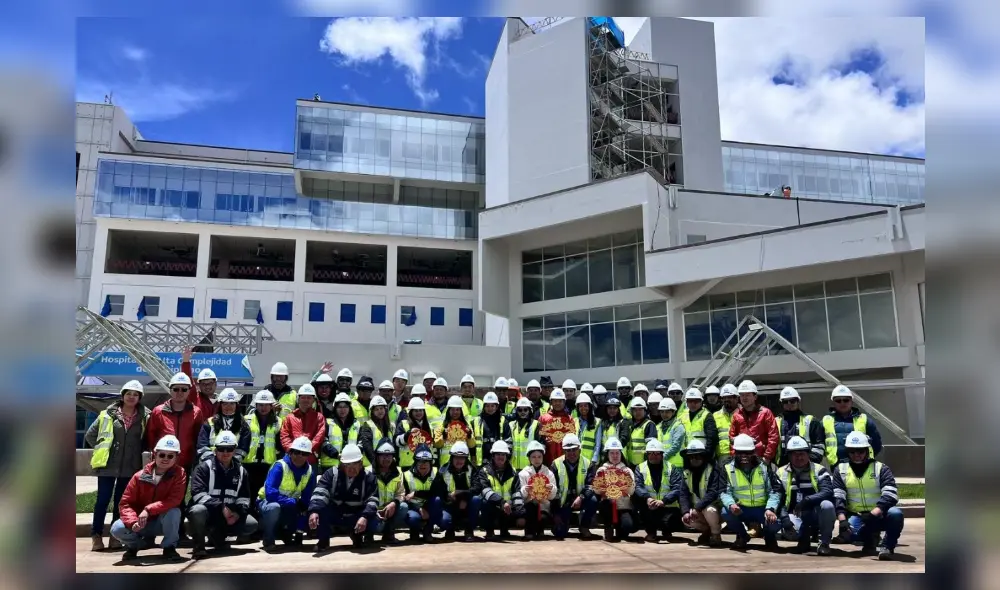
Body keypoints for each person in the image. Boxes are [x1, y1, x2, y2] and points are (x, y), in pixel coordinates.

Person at [85, 379, 150, 552]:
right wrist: (103, 448)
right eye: (128, 393)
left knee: (122, 502)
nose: (131, 397)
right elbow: (90, 435)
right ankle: (96, 535)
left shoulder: (145, 416)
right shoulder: (107, 414)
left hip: (130, 466)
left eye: (135, 394)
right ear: (122, 395)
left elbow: (147, 439)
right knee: (102, 501)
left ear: (140, 397)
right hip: (107, 465)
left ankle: (115, 537)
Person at [145, 371, 205, 541]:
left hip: (184, 463)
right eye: (176, 389)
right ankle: (150, 533)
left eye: (184, 389)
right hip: (161, 464)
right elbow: (151, 436)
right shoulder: (158, 412)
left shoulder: (195, 412)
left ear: (189, 391)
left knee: (177, 498)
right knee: (156, 497)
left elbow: (198, 437)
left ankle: (178, 532)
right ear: (170, 390)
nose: (180, 393)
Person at [109, 435, 186, 562]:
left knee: (174, 512)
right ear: (154, 455)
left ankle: (169, 547)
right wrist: (133, 522)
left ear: (176, 458)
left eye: (170, 456)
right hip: (140, 522)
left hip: (161, 522)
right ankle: (134, 546)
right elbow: (126, 503)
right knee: (116, 528)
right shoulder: (139, 476)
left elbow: (174, 500)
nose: (165, 459)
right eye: (162, 455)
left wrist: (148, 509)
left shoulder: (179, 474)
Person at [832, 430, 904, 560]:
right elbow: (838, 496)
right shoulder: (840, 470)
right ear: (848, 452)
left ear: (867, 451)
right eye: (852, 452)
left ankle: (887, 546)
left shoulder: (881, 468)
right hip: (857, 515)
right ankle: (870, 539)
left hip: (879, 514)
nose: (856, 455)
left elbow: (891, 494)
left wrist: (873, 513)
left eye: (860, 451)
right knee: (852, 534)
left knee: (896, 514)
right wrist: (842, 520)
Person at [188, 431, 258, 559]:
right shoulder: (203, 468)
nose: (225, 453)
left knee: (251, 523)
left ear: (235, 450)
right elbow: (198, 495)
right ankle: (199, 545)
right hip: (208, 514)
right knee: (197, 511)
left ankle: (218, 537)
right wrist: (221, 507)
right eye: (221, 449)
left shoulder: (241, 471)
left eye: (229, 449)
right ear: (215, 450)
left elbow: (244, 498)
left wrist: (238, 513)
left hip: (229, 515)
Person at [309, 443, 380, 550]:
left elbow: (373, 500)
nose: (351, 469)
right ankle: (323, 540)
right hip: (335, 513)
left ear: (361, 464)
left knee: (373, 519)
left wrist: (364, 516)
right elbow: (320, 492)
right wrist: (314, 511)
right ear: (342, 464)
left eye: (355, 464)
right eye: (347, 465)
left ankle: (358, 537)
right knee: (318, 511)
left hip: (356, 515)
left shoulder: (369, 478)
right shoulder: (331, 474)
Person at [720, 433, 784, 551]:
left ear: (753, 452)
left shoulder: (764, 467)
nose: (744, 456)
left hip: (762, 509)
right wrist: (731, 504)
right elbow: (724, 491)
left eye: (748, 452)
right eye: (740, 452)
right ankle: (742, 536)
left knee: (778, 521)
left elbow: (776, 490)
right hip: (741, 509)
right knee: (725, 512)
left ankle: (769, 537)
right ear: (734, 452)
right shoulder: (727, 468)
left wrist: (770, 508)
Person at [775, 436, 835, 555]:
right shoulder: (780, 472)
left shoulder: (820, 470)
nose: (799, 457)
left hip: (815, 514)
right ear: (789, 456)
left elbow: (827, 491)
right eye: (794, 454)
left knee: (827, 506)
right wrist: (785, 519)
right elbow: (777, 498)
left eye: (802, 453)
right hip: (794, 515)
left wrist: (807, 500)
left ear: (808, 454)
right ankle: (803, 537)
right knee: (792, 535)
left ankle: (824, 543)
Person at [258, 436, 316, 552]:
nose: (300, 456)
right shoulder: (279, 466)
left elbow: (306, 500)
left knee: (310, 510)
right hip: (267, 503)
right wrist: (294, 502)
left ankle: (288, 533)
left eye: (304, 453)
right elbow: (270, 494)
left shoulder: (310, 472)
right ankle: (268, 539)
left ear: (308, 455)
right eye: (297, 452)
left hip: (289, 506)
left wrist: (300, 531)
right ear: (290, 452)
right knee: (274, 507)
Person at [634, 439, 691, 542]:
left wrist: (664, 501)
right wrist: (647, 498)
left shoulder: (670, 468)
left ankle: (667, 531)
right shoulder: (640, 468)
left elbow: (677, 487)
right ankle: (651, 532)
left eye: (657, 453)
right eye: (650, 453)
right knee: (637, 500)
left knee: (674, 522)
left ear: (662, 454)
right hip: (649, 507)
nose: (653, 456)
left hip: (667, 506)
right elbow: (638, 486)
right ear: (647, 454)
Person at [432, 440, 483, 541]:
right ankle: (450, 529)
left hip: (467, 505)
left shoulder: (472, 470)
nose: (459, 461)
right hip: (449, 505)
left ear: (466, 458)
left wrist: (462, 495)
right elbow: (436, 489)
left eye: (462, 458)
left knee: (476, 499)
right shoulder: (443, 470)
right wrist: (447, 497)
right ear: (452, 457)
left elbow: (477, 488)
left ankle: (469, 530)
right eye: (456, 457)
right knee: (444, 521)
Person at [551, 433, 598, 540]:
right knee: (560, 533)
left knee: (594, 500)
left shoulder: (588, 464)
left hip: (582, 498)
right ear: (564, 451)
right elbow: (553, 490)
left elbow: (591, 485)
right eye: (568, 450)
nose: (571, 453)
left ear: (579, 449)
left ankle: (584, 526)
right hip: (564, 502)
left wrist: (581, 497)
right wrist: (556, 514)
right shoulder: (555, 464)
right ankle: (561, 525)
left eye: (574, 449)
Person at [823, 384, 883, 467]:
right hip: (835, 467)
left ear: (851, 401)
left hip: (862, 466)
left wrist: (864, 459)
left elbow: (876, 444)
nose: (842, 403)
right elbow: (819, 444)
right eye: (838, 401)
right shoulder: (825, 421)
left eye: (846, 400)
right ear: (833, 402)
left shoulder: (864, 420)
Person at [243, 390, 282, 517]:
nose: (263, 407)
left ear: (272, 406)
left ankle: (262, 524)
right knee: (248, 495)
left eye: (266, 405)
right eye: (260, 404)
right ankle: (249, 525)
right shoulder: (246, 420)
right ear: (256, 405)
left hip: (268, 465)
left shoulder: (279, 422)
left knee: (264, 495)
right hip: (249, 464)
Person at [475, 440, 524, 540]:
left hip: (508, 509)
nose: (501, 457)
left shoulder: (513, 472)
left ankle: (504, 530)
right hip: (493, 507)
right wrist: (502, 502)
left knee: (523, 511)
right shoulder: (484, 471)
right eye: (498, 454)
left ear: (507, 456)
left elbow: (517, 493)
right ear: (493, 456)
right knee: (485, 503)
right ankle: (489, 531)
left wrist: (520, 513)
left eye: (503, 454)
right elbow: (486, 491)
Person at [679, 439, 724, 546]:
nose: (694, 459)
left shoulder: (713, 469)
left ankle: (715, 534)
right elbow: (683, 494)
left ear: (704, 456)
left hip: (716, 509)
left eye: (698, 456)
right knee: (686, 519)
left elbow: (713, 492)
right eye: (691, 457)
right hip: (698, 510)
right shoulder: (686, 473)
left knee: (709, 510)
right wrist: (685, 511)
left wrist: (697, 508)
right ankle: (707, 531)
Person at [592, 437, 637, 542]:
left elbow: (632, 491)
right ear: (607, 454)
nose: (615, 456)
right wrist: (600, 485)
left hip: (623, 506)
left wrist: (628, 483)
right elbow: (596, 491)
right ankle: (608, 526)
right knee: (606, 506)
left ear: (621, 454)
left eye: (617, 453)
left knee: (628, 527)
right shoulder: (601, 470)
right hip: (607, 505)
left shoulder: (627, 470)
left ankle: (620, 528)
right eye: (612, 453)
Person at [729, 380, 780, 465]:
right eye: (742, 395)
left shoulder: (765, 413)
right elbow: (732, 438)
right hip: (742, 459)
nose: (744, 398)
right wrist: (734, 457)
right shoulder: (736, 415)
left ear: (755, 397)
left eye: (748, 395)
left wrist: (767, 457)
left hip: (760, 458)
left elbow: (773, 436)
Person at [196, 388, 250, 463]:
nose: (228, 407)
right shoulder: (209, 423)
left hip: (233, 467)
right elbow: (202, 446)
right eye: (225, 403)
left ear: (236, 405)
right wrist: (213, 462)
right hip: (210, 465)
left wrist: (229, 463)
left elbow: (243, 449)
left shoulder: (243, 425)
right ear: (220, 405)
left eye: (232, 403)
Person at [368, 439, 406, 545]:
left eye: (389, 455)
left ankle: (388, 535)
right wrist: (373, 510)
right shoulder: (368, 471)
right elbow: (364, 496)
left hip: (389, 510)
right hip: (372, 511)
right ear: (377, 456)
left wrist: (394, 503)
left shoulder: (398, 472)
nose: (387, 458)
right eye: (383, 455)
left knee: (403, 507)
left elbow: (401, 493)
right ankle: (368, 535)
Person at [517, 440, 557, 540]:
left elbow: (552, 496)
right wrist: (525, 490)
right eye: (533, 457)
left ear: (543, 457)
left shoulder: (549, 473)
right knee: (530, 508)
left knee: (543, 516)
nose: (536, 459)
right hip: (528, 504)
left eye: (539, 457)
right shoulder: (523, 474)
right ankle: (529, 532)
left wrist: (551, 488)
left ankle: (540, 531)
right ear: (529, 458)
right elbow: (521, 495)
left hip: (544, 504)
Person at [775, 387, 825, 466]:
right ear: (781, 403)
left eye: (792, 401)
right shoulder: (775, 421)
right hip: (782, 468)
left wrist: (808, 462)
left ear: (798, 401)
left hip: (807, 467)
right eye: (785, 402)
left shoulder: (811, 421)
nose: (789, 404)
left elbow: (819, 445)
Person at [401, 444, 440, 543]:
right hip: (413, 508)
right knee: (413, 518)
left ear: (431, 463)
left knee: (438, 501)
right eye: (420, 461)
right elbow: (404, 497)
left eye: (426, 462)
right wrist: (418, 508)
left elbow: (437, 492)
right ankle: (414, 531)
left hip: (430, 507)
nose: (423, 464)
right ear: (415, 462)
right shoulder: (405, 475)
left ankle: (428, 531)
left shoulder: (436, 473)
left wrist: (416, 493)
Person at [278, 384, 325, 466]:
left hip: (310, 460)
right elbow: (284, 436)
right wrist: (293, 452)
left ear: (313, 400)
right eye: (303, 397)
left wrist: (305, 451)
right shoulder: (290, 417)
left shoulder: (319, 417)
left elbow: (319, 437)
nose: (306, 400)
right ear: (298, 399)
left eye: (309, 398)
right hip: (291, 459)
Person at [321, 392, 362, 469]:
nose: (342, 410)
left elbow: (361, 443)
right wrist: (336, 455)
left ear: (349, 408)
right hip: (330, 465)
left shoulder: (357, 424)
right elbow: (323, 441)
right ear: (335, 408)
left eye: (345, 407)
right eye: (339, 407)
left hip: (351, 465)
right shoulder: (328, 423)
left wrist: (352, 456)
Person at [394, 395, 435, 470]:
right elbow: (397, 442)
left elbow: (432, 446)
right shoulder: (403, 424)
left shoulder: (429, 427)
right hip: (407, 465)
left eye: (420, 410)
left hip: (425, 465)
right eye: (416, 411)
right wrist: (408, 435)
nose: (418, 413)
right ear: (410, 412)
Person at [434, 395, 476, 467]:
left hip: (463, 461)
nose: (455, 412)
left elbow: (472, 445)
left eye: (457, 409)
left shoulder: (466, 425)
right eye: (452, 409)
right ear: (448, 411)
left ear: (461, 411)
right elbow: (437, 445)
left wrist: (469, 436)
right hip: (446, 463)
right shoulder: (442, 426)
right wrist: (443, 437)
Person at [471, 392, 511, 466]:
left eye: (492, 406)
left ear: (496, 406)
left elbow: (509, 442)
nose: (490, 408)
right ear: (484, 406)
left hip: (499, 463)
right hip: (480, 463)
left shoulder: (503, 421)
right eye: (487, 406)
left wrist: (506, 459)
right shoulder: (476, 421)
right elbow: (472, 443)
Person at [678, 387, 719, 459]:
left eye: (696, 401)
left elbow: (712, 438)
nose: (693, 404)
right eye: (690, 401)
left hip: (702, 455)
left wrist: (707, 455)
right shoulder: (682, 416)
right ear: (686, 402)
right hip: (687, 454)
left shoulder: (707, 415)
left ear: (701, 402)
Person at [536, 388, 575, 464]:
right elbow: (538, 439)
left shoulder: (569, 419)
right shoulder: (543, 419)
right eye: (555, 401)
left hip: (566, 460)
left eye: (560, 401)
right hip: (547, 459)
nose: (558, 403)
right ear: (551, 402)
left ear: (564, 402)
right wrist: (544, 441)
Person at [179, 347, 217, 420]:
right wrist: (186, 361)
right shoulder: (194, 397)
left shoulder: (222, 402)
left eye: (210, 383)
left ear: (215, 384)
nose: (207, 386)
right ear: (199, 385)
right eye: (204, 384)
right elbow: (188, 381)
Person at [359, 395, 393, 466]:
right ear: (372, 412)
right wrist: (375, 463)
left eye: (381, 408)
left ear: (385, 409)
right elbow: (367, 447)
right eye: (376, 409)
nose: (380, 411)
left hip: (386, 464)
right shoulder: (367, 425)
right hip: (370, 465)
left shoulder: (390, 426)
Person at [509, 397, 541, 471]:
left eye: (525, 409)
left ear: (530, 411)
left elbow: (540, 446)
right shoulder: (511, 425)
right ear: (516, 411)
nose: (522, 412)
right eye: (520, 410)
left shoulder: (536, 425)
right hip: (513, 468)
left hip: (530, 468)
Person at [625, 397, 658, 467]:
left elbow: (651, 447)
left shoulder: (649, 425)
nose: (638, 412)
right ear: (631, 411)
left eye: (640, 409)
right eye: (635, 410)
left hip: (644, 465)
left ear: (645, 410)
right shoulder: (629, 425)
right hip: (630, 463)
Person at [713, 384, 739, 466]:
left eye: (730, 397)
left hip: (740, 454)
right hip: (721, 456)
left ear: (736, 398)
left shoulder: (744, 414)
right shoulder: (715, 416)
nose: (727, 399)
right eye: (724, 397)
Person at [656, 398, 687, 468]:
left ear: (673, 412)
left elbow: (676, 446)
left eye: (667, 412)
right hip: (663, 466)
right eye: (662, 412)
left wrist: (661, 458)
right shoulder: (658, 427)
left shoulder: (678, 426)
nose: (664, 414)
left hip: (676, 466)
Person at [573, 393, 600, 464]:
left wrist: (594, 459)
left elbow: (598, 443)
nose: (583, 408)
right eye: (581, 406)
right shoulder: (574, 421)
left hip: (590, 460)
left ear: (590, 407)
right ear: (577, 408)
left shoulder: (597, 422)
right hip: (576, 459)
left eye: (585, 405)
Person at [598, 397, 627, 461]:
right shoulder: (602, 422)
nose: (612, 410)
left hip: (619, 456)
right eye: (610, 408)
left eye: (615, 408)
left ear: (618, 409)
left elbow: (624, 439)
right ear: (606, 409)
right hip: (604, 456)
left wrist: (613, 451)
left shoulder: (623, 422)